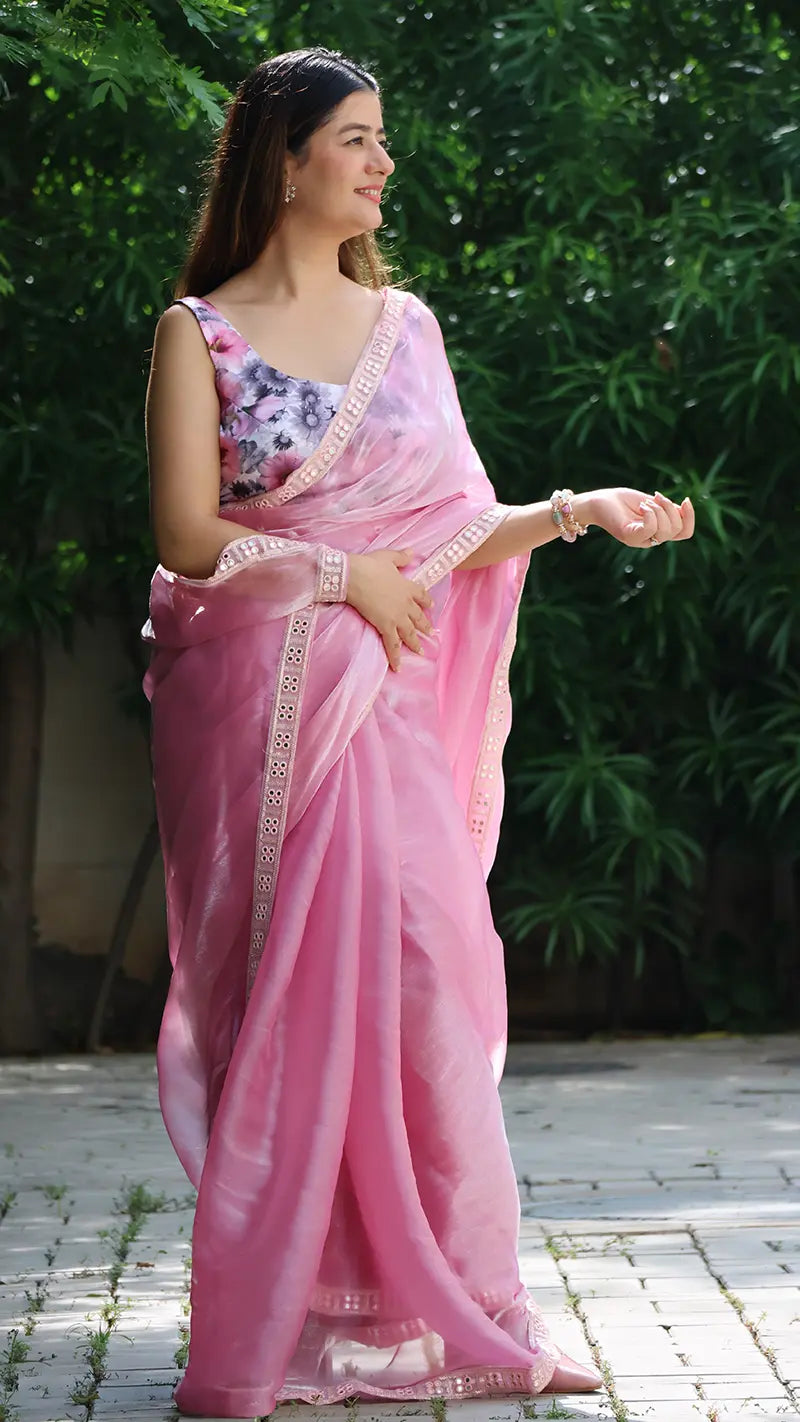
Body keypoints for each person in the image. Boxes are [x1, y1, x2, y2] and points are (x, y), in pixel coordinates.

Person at [142, 45, 695, 1420]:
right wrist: (336, 580)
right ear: (283, 159)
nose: (383, 163)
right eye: (357, 139)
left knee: (432, 987)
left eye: (384, 138)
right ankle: (279, 1318)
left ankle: (458, 1301)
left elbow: (449, 532)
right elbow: (186, 537)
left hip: (379, 715)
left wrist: (579, 506)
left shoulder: (411, 331)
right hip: (272, 707)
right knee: (293, 1010)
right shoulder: (195, 333)